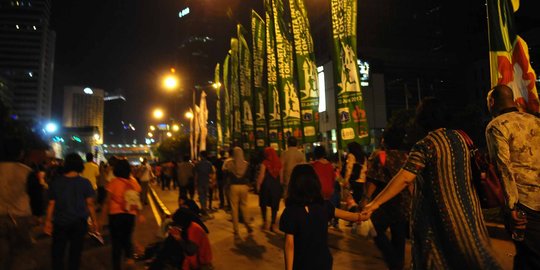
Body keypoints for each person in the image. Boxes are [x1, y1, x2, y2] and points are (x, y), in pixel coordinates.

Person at [361, 97, 502, 269]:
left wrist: (375, 203)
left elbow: (405, 177)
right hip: (469, 213)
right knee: (474, 257)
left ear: (422, 119)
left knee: (437, 260)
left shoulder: (426, 145)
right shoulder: (462, 138)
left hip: (439, 219)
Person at [485, 85, 540, 270]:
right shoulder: (536, 121)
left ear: (492, 102)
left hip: (524, 204)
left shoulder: (496, 126)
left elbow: (503, 167)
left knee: (531, 256)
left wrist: (511, 206)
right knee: (526, 256)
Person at [279, 164, 362, 270]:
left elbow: (289, 245)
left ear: (294, 186)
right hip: (323, 262)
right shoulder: (324, 206)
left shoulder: (291, 212)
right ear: (315, 183)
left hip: (302, 264)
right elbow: (348, 216)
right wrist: (362, 216)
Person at [362, 129, 410, 270]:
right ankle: (397, 265)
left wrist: (365, 199)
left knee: (374, 229)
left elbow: (373, 181)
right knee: (399, 237)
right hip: (403, 203)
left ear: (385, 141)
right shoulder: (406, 157)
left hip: (384, 204)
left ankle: (393, 261)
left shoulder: (381, 156)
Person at [44, 153, 99, 270]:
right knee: (75, 254)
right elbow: (90, 204)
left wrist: (48, 222)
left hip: (60, 222)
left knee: (58, 253)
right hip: (79, 223)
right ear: (80, 165)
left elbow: (51, 204)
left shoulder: (56, 182)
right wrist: (94, 222)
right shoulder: (85, 183)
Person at [0, 138, 36, 270]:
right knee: (20, 254)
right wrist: (37, 214)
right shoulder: (27, 172)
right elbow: (35, 196)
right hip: (20, 217)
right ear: (21, 153)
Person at [101, 159, 142, 270]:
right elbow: (137, 199)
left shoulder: (113, 183)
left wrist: (102, 219)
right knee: (127, 237)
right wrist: (139, 214)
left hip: (115, 215)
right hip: (130, 215)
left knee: (116, 242)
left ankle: (117, 266)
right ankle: (129, 258)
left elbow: (107, 201)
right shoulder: (134, 182)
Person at [223, 147, 253, 237]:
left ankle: (236, 230)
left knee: (234, 208)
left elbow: (224, 171)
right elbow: (249, 176)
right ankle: (247, 224)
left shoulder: (229, 163)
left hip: (233, 187)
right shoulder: (246, 164)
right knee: (244, 206)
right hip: (244, 186)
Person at [256, 147, 282, 232]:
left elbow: (262, 175)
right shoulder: (279, 163)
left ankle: (265, 222)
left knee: (263, 203)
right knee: (274, 205)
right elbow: (281, 177)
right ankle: (273, 224)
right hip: (276, 186)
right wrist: (280, 186)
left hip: (266, 186)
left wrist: (258, 185)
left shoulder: (264, 163)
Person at [195, 151, 215, 216]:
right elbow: (211, 174)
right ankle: (204, 208)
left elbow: (196, 174)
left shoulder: (198, 164)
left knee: (201, 196)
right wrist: (212, 182)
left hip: (200, 182)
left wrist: (195, 183)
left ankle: (203, 208)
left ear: (201, 156)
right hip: (206, 182)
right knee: (206, 196)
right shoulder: (209, 164)